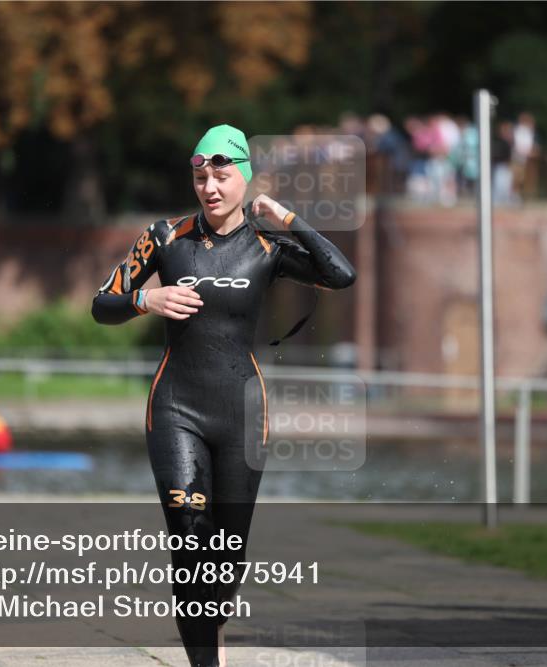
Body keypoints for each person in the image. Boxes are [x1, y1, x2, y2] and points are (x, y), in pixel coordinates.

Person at [91, 124, 356, 667]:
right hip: (176, 407)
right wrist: (147, 298)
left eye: (222, 174)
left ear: (244, 177)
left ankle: (213, 631)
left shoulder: (267, 246)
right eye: (200, 176)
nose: (210, 187)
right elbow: (103, 302)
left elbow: (341, 273)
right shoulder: (166, 238)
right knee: (190, 540)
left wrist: (288, 219)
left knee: (226, 560)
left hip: (242, 412)